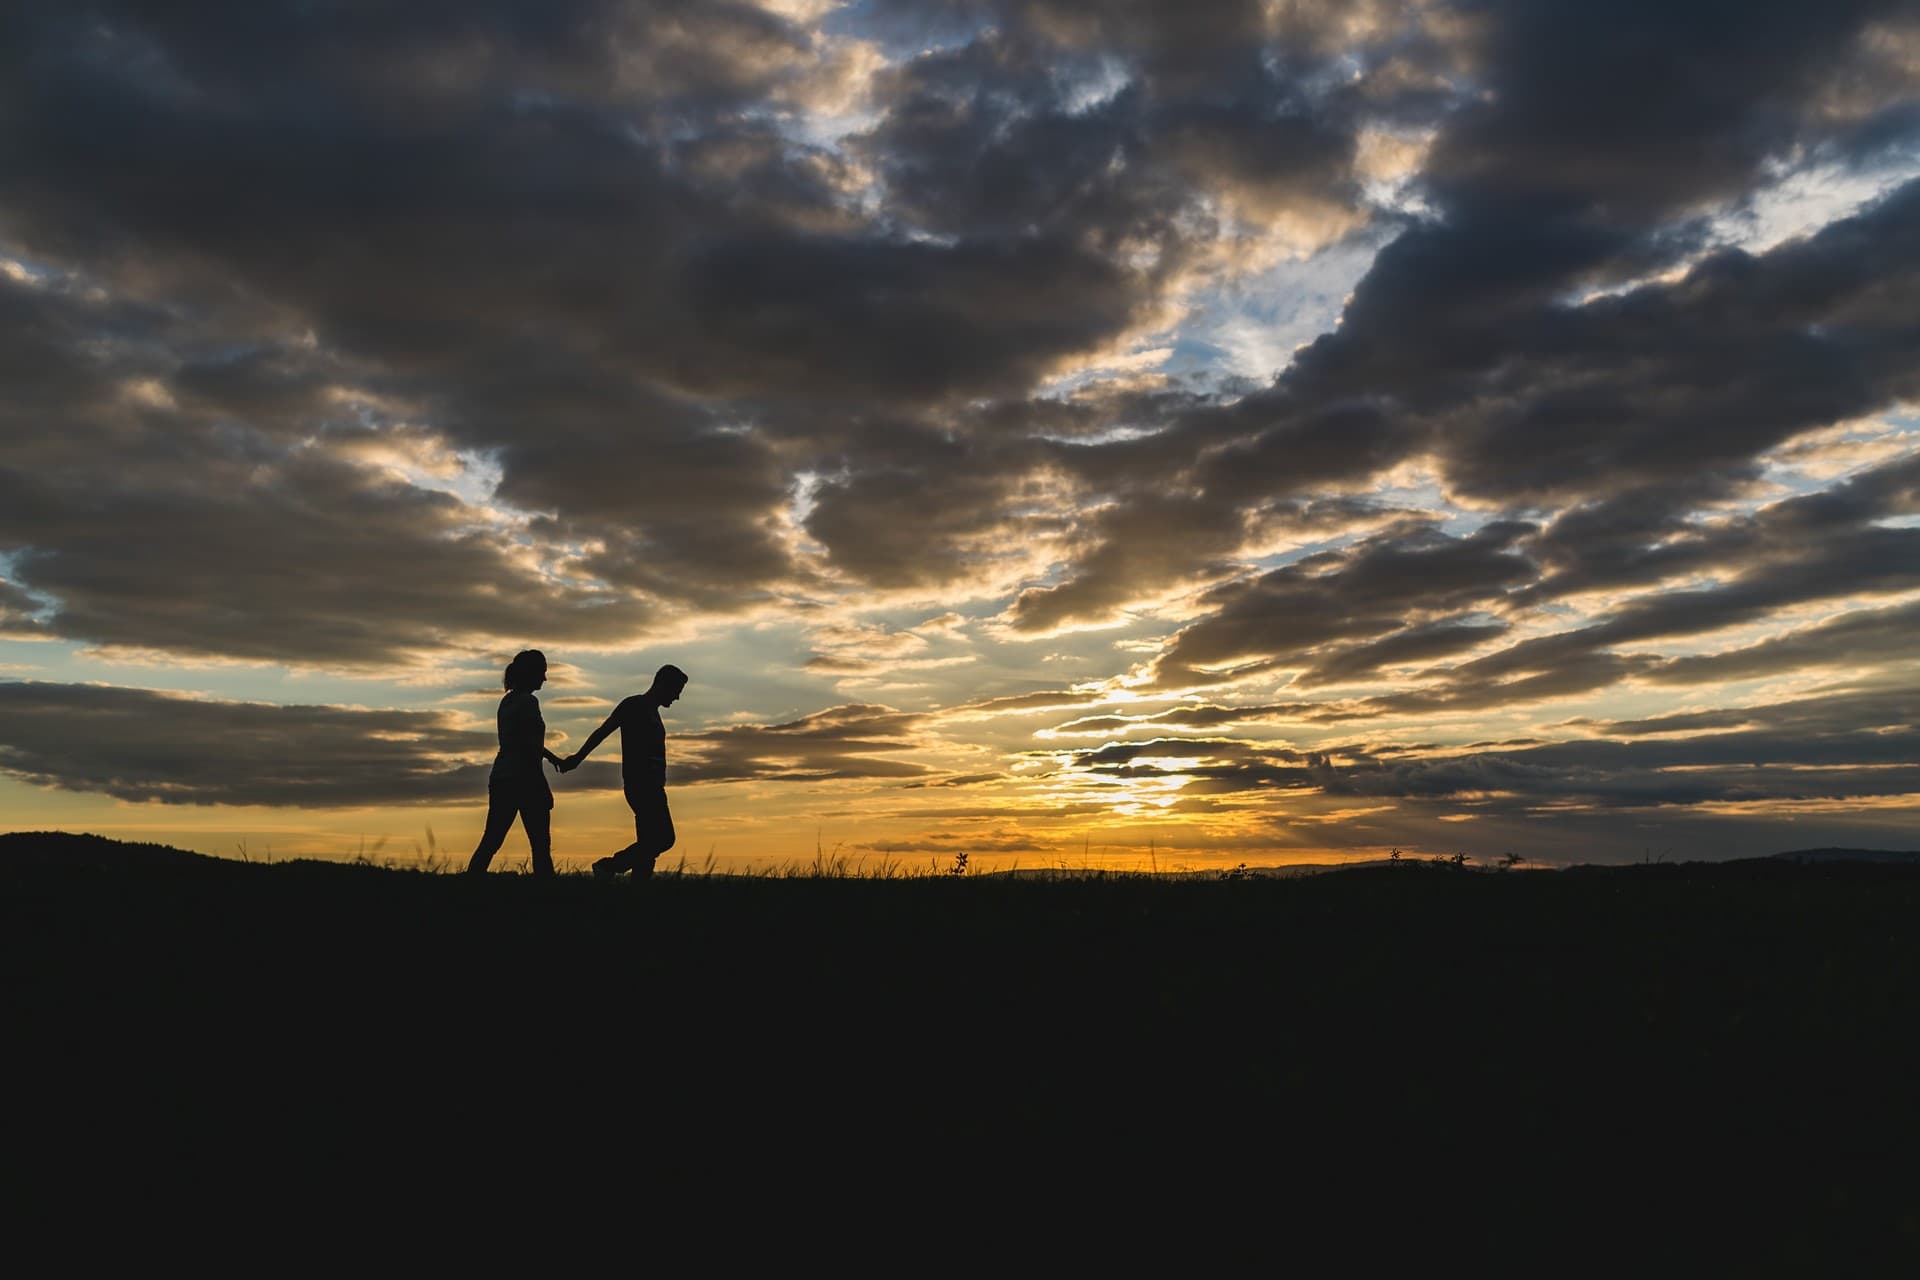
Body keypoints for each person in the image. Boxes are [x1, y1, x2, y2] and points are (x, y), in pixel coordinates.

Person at [561, 663, 688, 880]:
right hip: (641, 785)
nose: (676, 698)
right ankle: (609, 866)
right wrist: (577, 759)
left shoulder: (654, 713)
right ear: (662, 685)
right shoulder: (633, 705)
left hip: (654, 786)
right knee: (664, 839)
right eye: (676, 691)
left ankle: (637, 894)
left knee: (648, 844)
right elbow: (603, 731)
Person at [466, 649, 567, 876]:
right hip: (525, 778)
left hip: (502, 777)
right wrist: (543, 785)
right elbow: (530, 747)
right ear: (532, 673)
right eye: (542, 672)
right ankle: (549, 896)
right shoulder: (529, 702)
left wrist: (553, 759)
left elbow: (521, 741)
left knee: (491, 840)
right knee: (540, 845)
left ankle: (469, 883)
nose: (545, 678)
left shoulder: (507, 701)